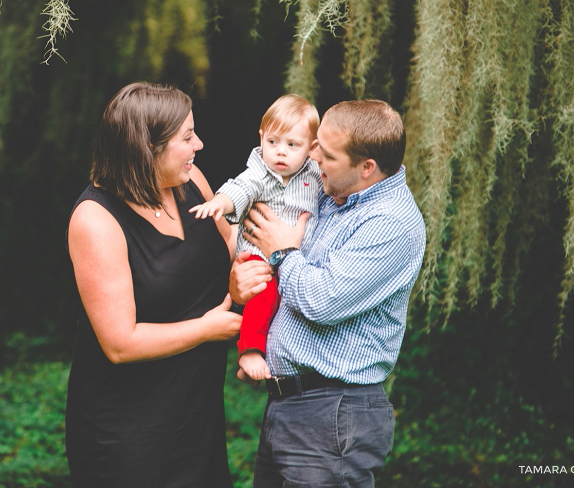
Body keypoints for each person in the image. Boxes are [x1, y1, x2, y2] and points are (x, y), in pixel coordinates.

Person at [229, 99, 426, 488]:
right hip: (289, 406)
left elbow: (323, 300)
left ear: (366, 168)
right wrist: (243, 280)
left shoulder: (390, 224)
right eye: (315, 143)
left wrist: (282, 251)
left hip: (332, 414)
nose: (312, 155)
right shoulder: (331, 194)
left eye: (327, 153)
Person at [65, 82, 242, 488]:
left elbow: (228, 249)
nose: (199, 144)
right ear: (147, 147)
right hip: (129, 428)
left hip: (198, 409)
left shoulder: (191, 180)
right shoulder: (96, 219)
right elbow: (119, 343)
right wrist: (209, 328)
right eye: (186, 137)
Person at [190, 94, 321, 381]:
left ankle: (274, 360)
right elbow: (240, 188)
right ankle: (250, 351)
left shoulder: (317, 175)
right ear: (261, 138)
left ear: (312, 148)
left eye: (292, 145)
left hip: (300, 259)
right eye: (272, 142)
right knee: (262, 294)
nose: (280, 152)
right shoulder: (260, 172)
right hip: (261, 260)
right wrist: (220, 204)